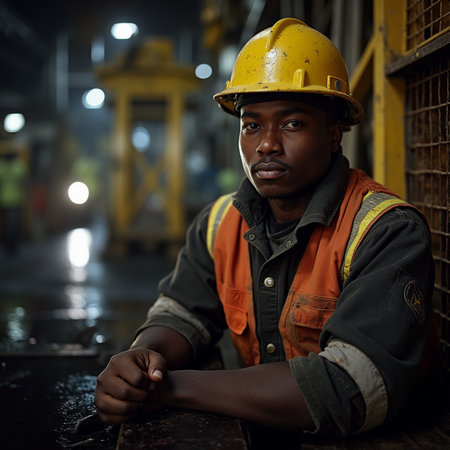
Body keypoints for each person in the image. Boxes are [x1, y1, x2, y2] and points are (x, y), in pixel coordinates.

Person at [94, 18, 441, 439]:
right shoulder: (220, 223)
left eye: (292, 123)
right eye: (252, 124)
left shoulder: (385, 231)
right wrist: (139, 360)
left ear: (334, 134)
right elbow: (182, 313)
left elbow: (349, 389)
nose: (266, 144)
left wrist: (170, 388)